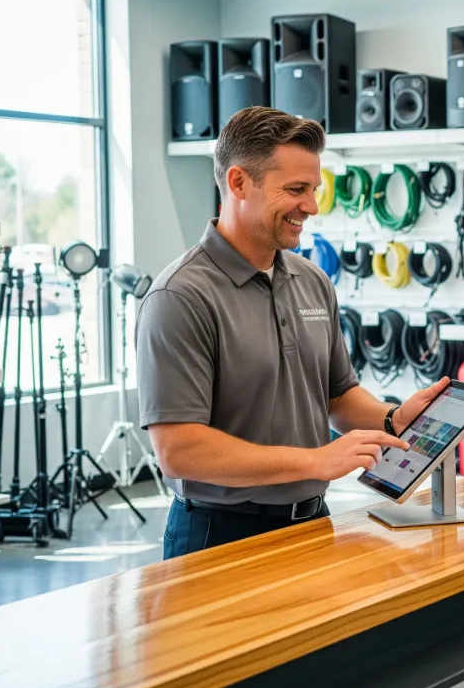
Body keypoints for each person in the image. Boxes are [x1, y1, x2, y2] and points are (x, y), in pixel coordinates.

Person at [137, 106, 446, 559]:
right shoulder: (180, 296)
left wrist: (391, 419)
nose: (312, 206)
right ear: (239, 183)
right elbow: (179, 449)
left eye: (314, 189)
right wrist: (317, 460)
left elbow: (337, 396)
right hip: (219, 535)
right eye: (296, 190)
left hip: (312, 522)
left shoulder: (312, 280)